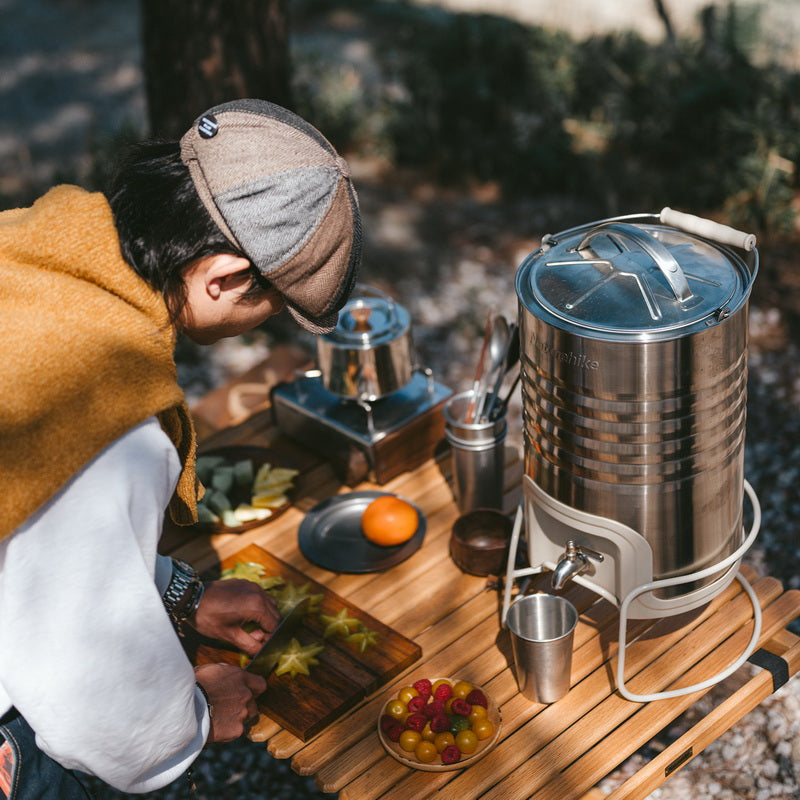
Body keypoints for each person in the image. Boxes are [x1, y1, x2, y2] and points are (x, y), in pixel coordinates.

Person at [0, 98, 362, 797]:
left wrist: (179, 592)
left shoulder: (30, 250)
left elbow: (36, 534)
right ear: (223, 278)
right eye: (270, 309)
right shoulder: (105, 414)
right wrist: (193, 718)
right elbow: (93, 701)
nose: (260, 329)